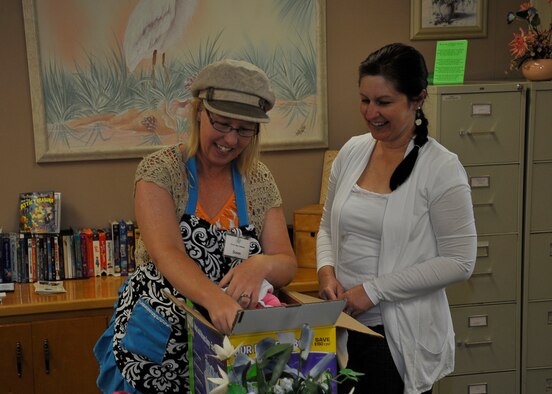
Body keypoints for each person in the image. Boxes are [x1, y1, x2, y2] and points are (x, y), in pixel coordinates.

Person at [94, 59, 297, 393]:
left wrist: (261, 264)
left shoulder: (258, 180)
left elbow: (286, 262)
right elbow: (167, 253)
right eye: (222, 123)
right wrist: (215, 300)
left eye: (245, 129)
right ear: (198, 112)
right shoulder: (161, 171)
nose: (231, 140)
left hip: (229, 348)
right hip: (159, 341)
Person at [316, 43, 477, 394]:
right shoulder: (352, 151)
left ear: (417, 99)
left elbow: (460, 261)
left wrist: (373, 292)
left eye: (384, 102)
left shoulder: (441, 168)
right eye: (364, 100)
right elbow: (328, 226)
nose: (371, 112)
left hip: (397, 338)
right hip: (344, 327)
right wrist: (326, 271)